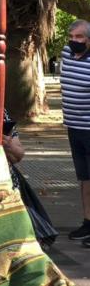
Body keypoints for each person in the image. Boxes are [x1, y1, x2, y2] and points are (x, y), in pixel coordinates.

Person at [60, 19, 90, 244]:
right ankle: (88, 222)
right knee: (84, 178)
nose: (74, 42)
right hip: (73, 127)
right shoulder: (66, 53)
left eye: (79, 37)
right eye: (71, 37)